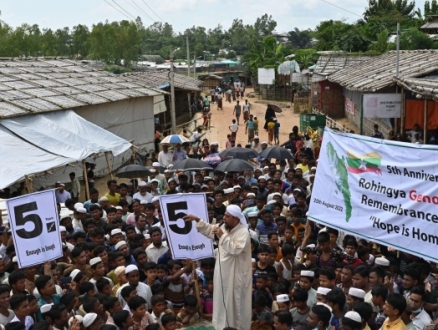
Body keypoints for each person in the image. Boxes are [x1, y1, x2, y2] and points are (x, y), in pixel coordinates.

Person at [183, 205, 252, 330]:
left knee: (234, 304)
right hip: (222, 274)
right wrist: (197, 219)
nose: (224, 218)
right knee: (221, 301)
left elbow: (236, 249)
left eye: (227, 216)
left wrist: (222, 236)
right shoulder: (224, 227)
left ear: (236, 219)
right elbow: (211, 230)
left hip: (235, 276)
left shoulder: (243, 232)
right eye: (224, 215)